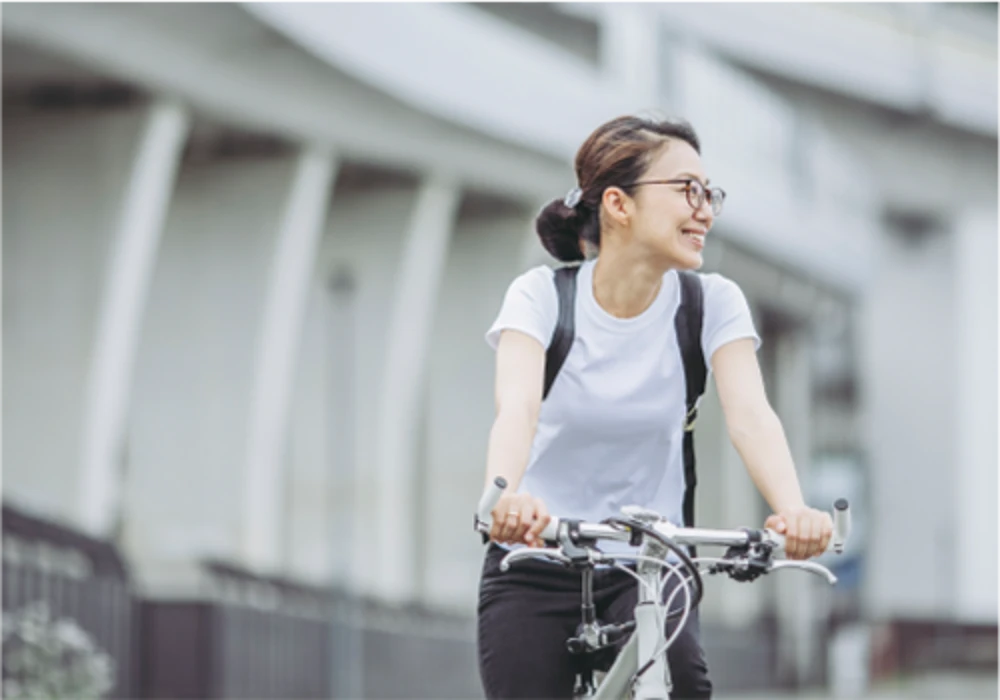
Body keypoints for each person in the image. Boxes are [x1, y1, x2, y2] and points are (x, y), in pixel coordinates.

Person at [476, 115, 834, 700]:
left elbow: (751, 416)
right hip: (533, 562)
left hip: (648, 565)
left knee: (683, 687)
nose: (705, 210)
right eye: (686, 190)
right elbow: (518, 408)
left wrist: (793, 510)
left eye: (708, 193)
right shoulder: (540, 296)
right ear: (619, 205)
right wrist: (504, 496)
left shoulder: (711, 302)